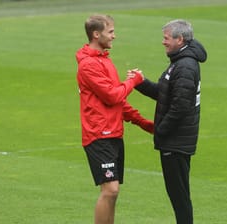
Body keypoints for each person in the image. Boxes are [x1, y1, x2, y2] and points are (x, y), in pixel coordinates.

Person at [75, 14, 154, 224]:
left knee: (113, 192)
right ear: (96, 34)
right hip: (98, 134)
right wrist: (134, 81)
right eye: (110, 32)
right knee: (110, 190)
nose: (114, 36)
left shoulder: (105, 61)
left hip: (114, 132)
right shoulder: (89, 65)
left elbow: (118, 101)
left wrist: (143, 123)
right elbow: (113, 95)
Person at [134, 19, 207, 224]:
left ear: (179, 39)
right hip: (177, 140)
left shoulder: (184, 66)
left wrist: (161, 130)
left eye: (166, 38)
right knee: (178, 195)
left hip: (176, 141)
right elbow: (167, 94)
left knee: (179, 196)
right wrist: (141, 83)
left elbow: (180, 106)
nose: (163, 42)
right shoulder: (181, 61)